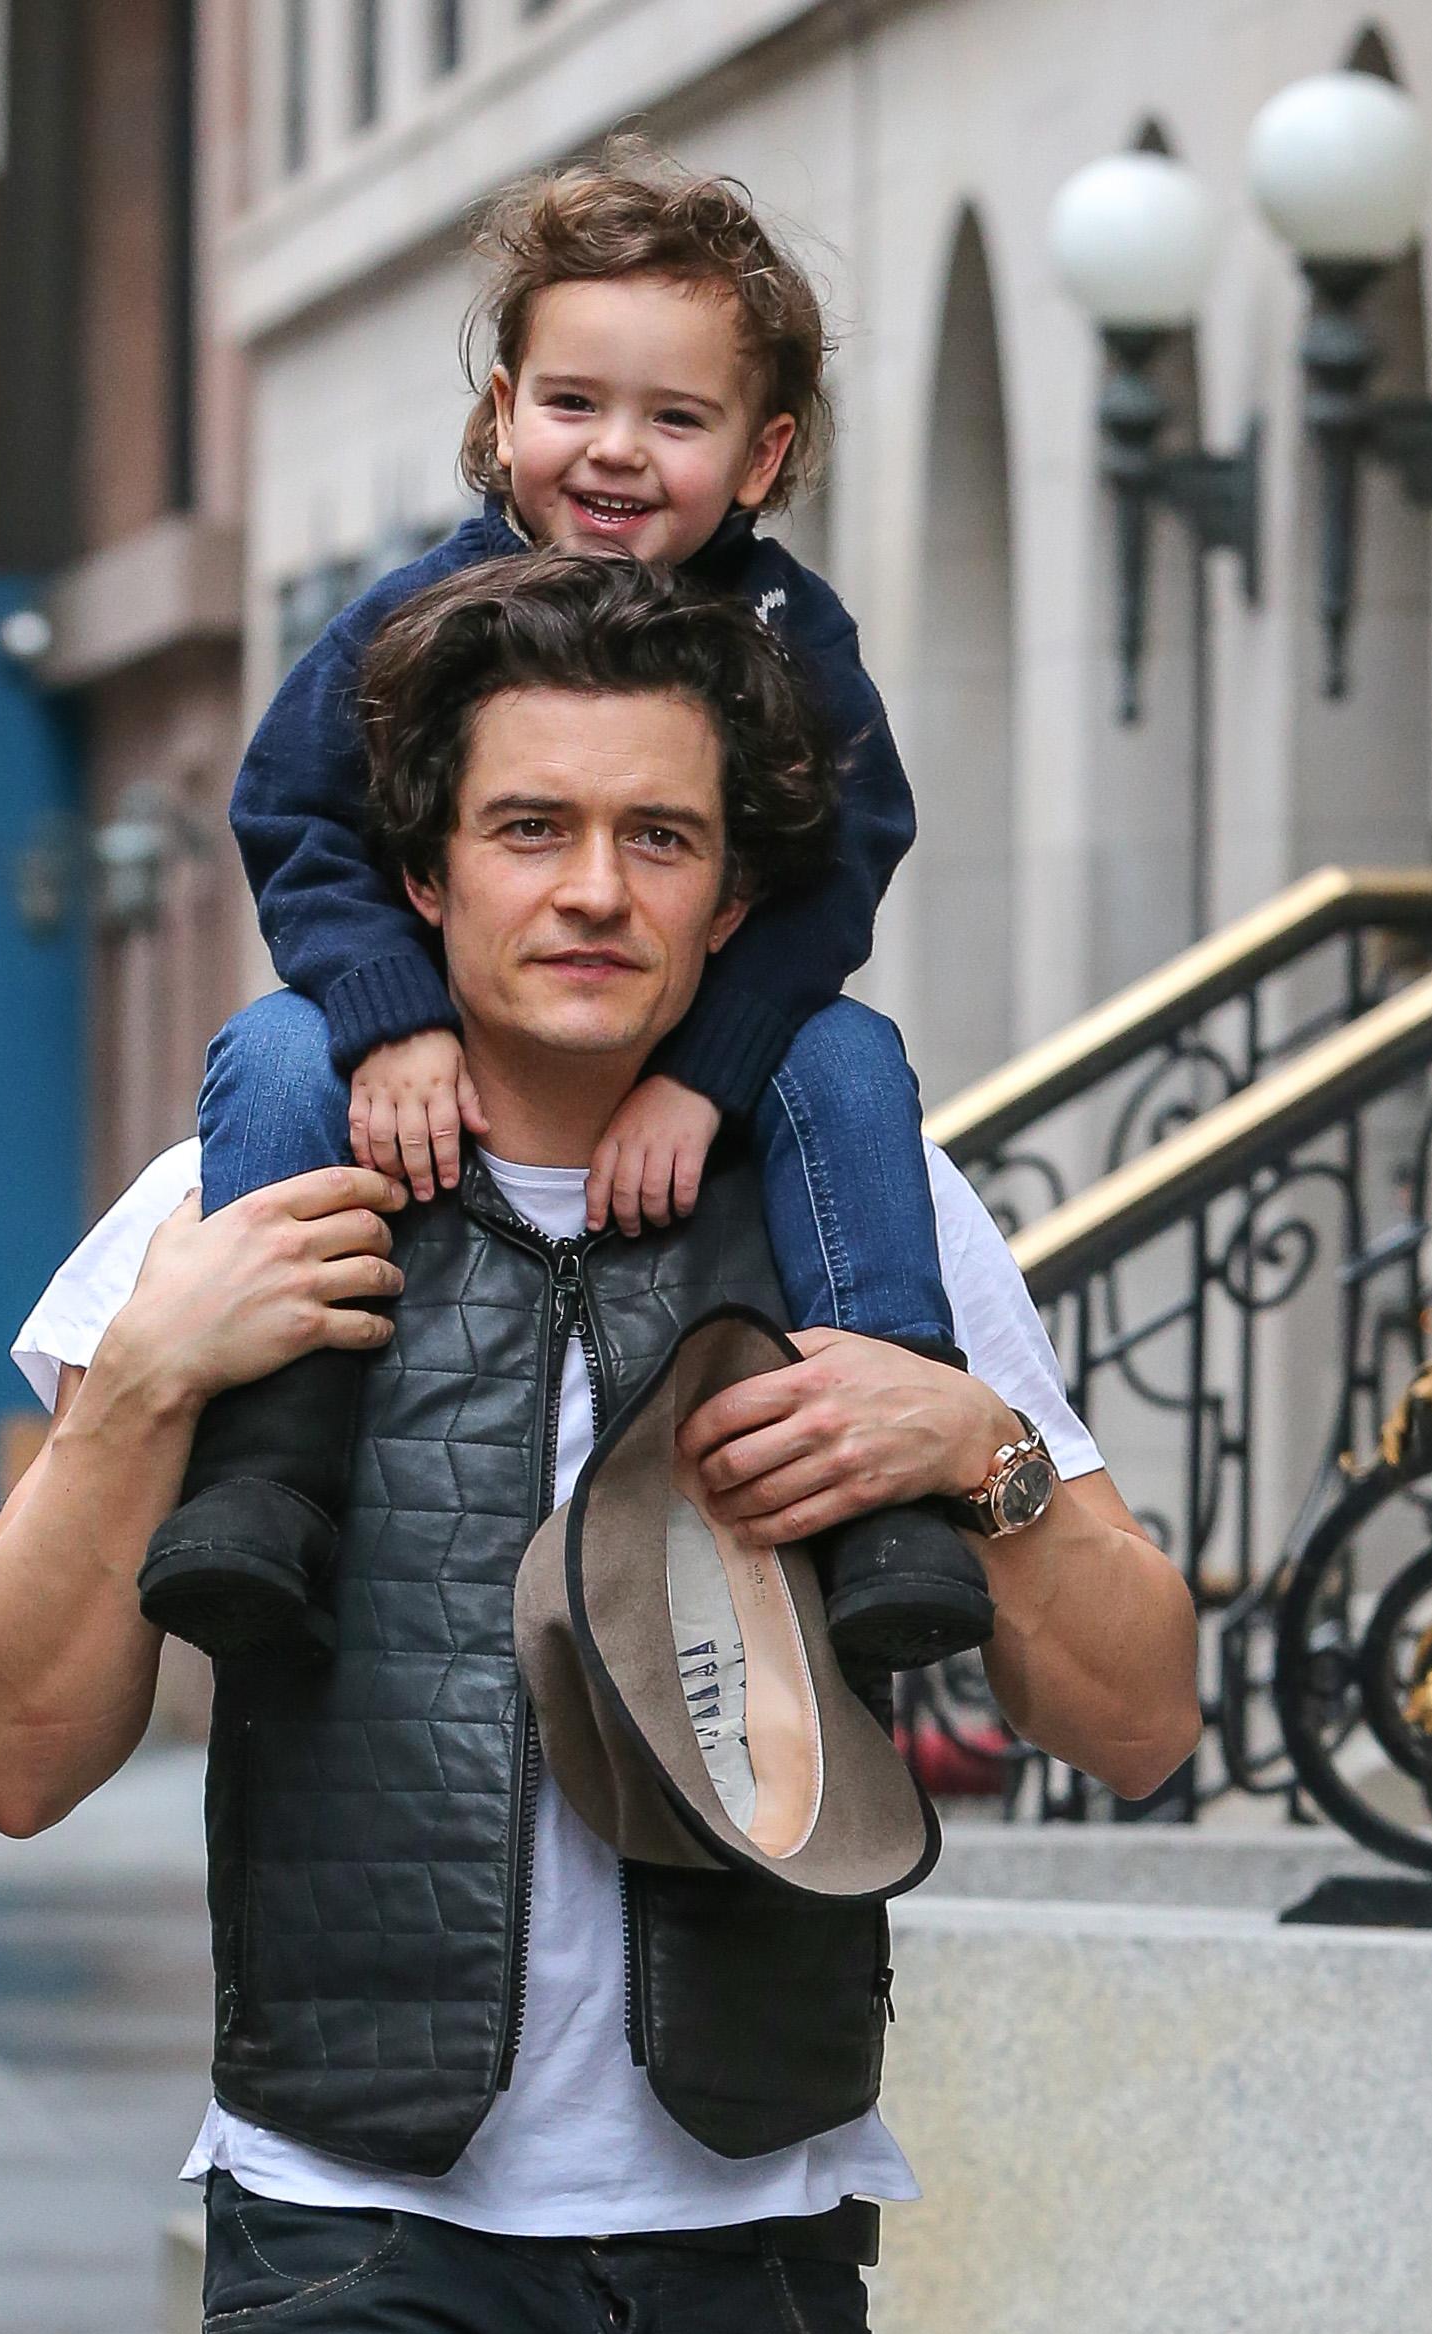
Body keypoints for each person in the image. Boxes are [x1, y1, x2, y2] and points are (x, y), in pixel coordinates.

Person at [0, 555, 1200, 2334]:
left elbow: (1141, 1714)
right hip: (355, 2249)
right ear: (419, 871)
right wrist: (137, 1388)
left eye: (655, 837)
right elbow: (6, 1747)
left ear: (734, 885)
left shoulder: (863, 1218)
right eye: (529, 828)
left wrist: (985, 1456)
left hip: (743, 2252)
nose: (592, 889)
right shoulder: (238, 1193)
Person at [138, 139, 995, 1687]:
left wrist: (709, 1068)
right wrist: (387, 1019)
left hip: (720, 1039)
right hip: (434, 1048)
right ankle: (267, 1471)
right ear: (500, 417)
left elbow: (848, 856)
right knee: (269, 1054)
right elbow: (293, 816)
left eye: (676, 418)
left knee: (854, 1062)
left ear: (762, 453)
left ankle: (890, 1487)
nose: (613, 451)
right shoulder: (417, 620)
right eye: (573, 403)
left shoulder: (796, 638)